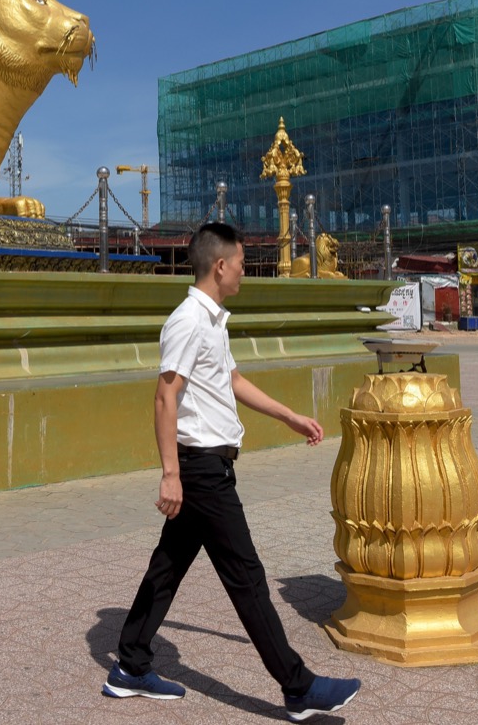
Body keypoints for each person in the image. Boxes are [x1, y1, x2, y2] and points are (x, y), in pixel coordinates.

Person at [103, 222, 361, 722]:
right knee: (246, 576)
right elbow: (164, 396)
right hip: (200, 470)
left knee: (168, 567)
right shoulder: (187, 321)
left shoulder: (213, 320)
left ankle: (130, 666)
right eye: (241, 263)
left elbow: (232, 379)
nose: (245, 271)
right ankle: (298, 686)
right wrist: (170, 474)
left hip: (210, 464)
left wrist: (288, 416)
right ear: (220, 265)